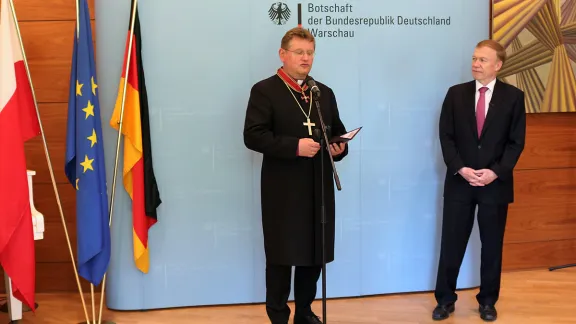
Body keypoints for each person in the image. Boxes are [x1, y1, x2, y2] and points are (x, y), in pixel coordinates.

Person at [243, 27, 348, 324]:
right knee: (280, 256)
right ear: (283, 54)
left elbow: (336, 131)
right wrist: (295, 147)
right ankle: (278, 315)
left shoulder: (322, 92)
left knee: (314, 254)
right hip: (283, 190)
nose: (306, 58)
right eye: (299, 52)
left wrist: (339, 147)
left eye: (310, 52)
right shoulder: (265, 90)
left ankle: (304, 311)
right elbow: (253, 136)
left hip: (318, 187)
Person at [433, 39, 526, 322]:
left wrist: (495, 171)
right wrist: (460, 168)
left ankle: (487, 301)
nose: (476, 64)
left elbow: (515, 143)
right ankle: (445, 300)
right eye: (474, 58)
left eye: (483, 60)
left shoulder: (514, 97)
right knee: (451, 243)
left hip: (494, 184)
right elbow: (446, 136)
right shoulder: (455, 94)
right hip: (460, 182)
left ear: (497, 65)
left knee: (492, 245)